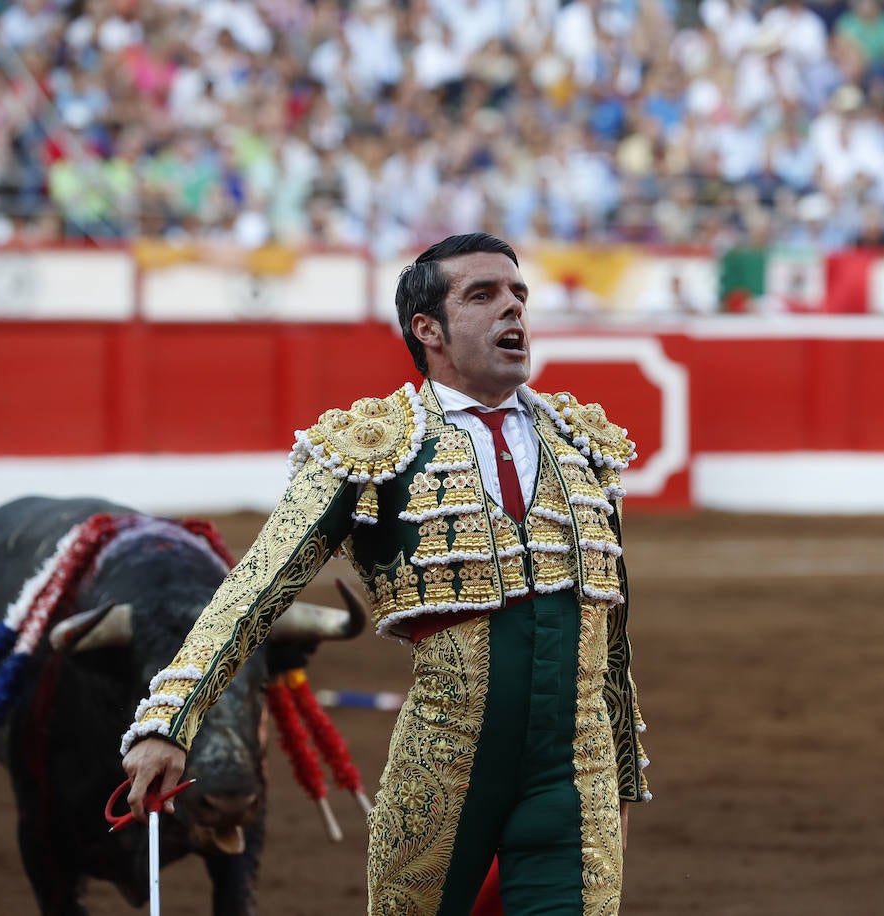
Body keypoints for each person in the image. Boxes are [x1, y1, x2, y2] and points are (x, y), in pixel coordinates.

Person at [120, 232, 650, 915]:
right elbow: (254, 589)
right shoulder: (375, 445)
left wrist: (622, 782)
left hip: (573, 780)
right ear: (426, 328)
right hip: (445, 769)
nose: (512, 310)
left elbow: (610, 636)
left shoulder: (582, 448)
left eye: (519, 294)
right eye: (483, 296)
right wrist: (169, 719)